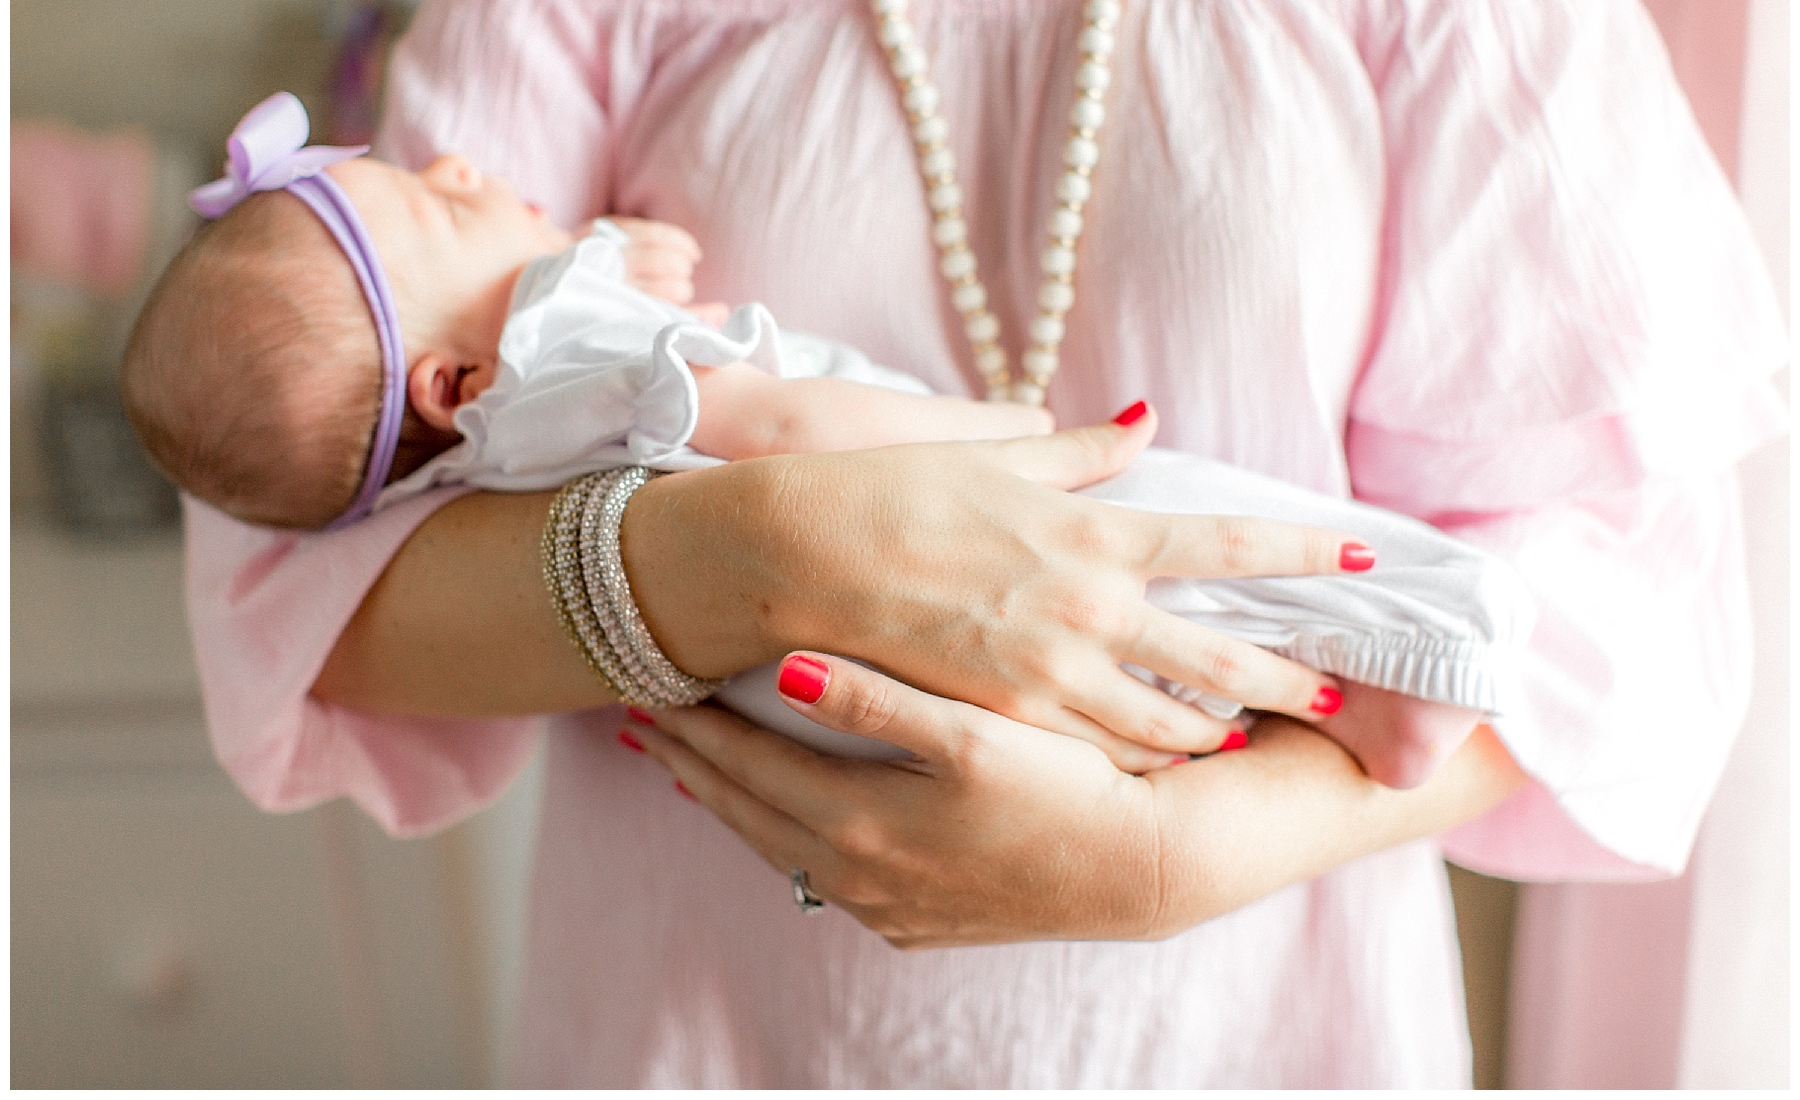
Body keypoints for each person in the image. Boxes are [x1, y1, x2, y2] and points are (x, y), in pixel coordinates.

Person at [174, 0, 1784, 1087]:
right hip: (721, 1028)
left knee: (1270, 556)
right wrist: (759, 549)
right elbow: (318, 584)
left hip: (1264, 1028)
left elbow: (1616, 604)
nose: (455, 186)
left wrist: (1169, 860)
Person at [128, 101, 1530, 781]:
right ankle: (1418, 671)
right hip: (925, 519)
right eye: (436, 210)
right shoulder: (561, 335)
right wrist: (986, 448)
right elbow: (782, 422)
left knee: (1141, 665)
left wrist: (595, 256)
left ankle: (1335, 717)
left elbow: (601, 389)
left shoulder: (507, 438)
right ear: (447, 380)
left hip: (808, 691)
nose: (462, 166)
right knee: (1199, 539)